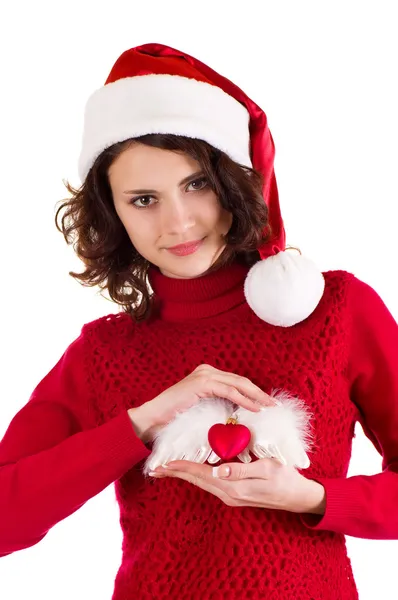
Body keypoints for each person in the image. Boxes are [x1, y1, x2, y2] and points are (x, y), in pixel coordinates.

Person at [0, 42, 397, 600]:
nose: (178, 222)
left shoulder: (336, 310)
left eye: (196, 184)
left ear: (233, 182)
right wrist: (137, 425)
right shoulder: (103, 353)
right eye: (143, 200)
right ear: (111, 213)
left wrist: (317, 498)